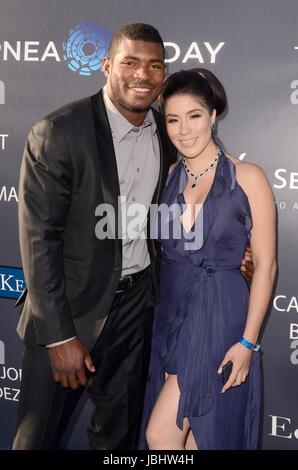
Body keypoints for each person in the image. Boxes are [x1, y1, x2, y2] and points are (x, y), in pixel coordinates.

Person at [13, 23, 253, 450]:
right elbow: (39, 241)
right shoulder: (60, 132)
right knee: (37, 437)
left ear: (164, 75)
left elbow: (203, 195)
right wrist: (58, 336)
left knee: (118, 441)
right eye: (130, 62)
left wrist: (233, 249)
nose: (143, 75)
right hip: (71, 312)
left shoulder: (169, 132)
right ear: (106, 66)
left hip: (137, 312)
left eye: (154, 65)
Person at [140, 69, 276, 450]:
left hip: (220, 316)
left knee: (161, 435)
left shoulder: (248, 178)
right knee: (199, 441)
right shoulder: (166, 177)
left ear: (213, 115)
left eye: (194, 116)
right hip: (171, 314)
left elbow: (266, 266)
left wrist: (247, 344)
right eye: (172, 119)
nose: (183, 129)